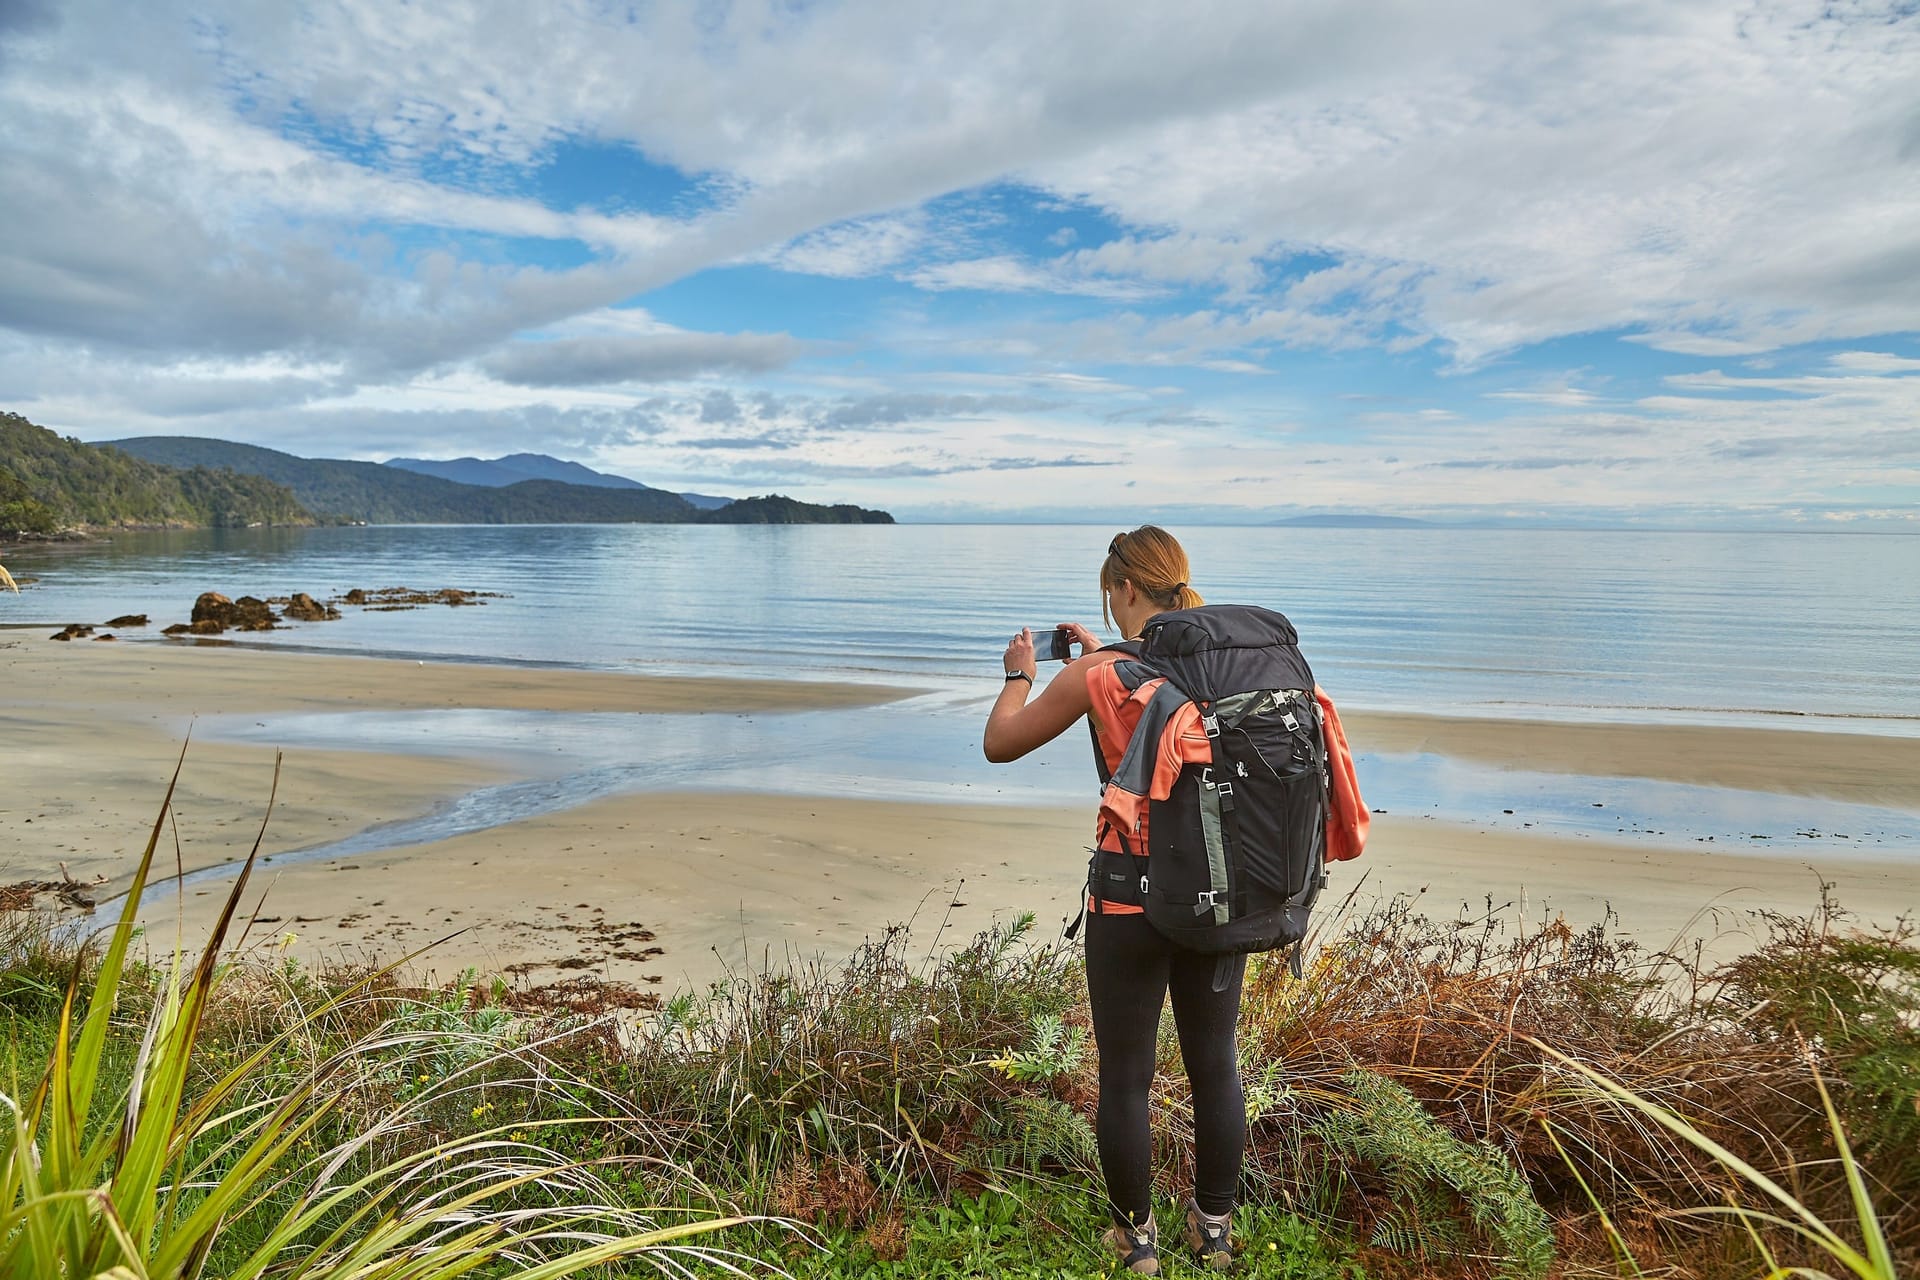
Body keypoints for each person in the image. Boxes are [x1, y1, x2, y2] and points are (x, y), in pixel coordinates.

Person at [982, 525, 1243, 1274]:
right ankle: (1214, 1234)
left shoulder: (1098, 673)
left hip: (1131, 901)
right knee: (1214, 1064)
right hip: (1221, 896)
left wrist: (1018, 674)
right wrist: (1103, 648)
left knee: (1127, 1075)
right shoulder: (1226, 661)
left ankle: (1137, 1245)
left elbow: (1001, 743)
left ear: (1123, 590)